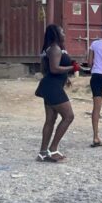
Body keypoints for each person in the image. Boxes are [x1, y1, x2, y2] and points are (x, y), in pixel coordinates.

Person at [35, 24, 78, 162]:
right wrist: (72, 67)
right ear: (56, 34)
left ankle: (43, 152)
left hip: (49, 86)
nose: (64, 33)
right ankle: (53, 150)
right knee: (68, 116)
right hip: (53, 87)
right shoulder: (55, 48)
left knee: (51, 119)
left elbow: (48, 69)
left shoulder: (51, 48)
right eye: (62, 32)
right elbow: (54, 69)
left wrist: (66, 78)